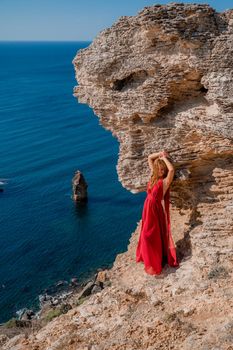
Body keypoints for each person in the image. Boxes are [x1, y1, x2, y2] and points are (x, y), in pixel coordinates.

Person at [136, 150, 179, 275]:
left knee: (149, 236)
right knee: (145, 234)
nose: (162, 171)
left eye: (163, 169)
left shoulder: (164, 182)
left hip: (155, 211)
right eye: (160, 169)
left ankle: (155, 263)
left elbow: (171, 170)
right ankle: (151, 258)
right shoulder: (153, 177)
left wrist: (165, 159)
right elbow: (149, 157)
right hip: (147, 209)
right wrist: (160, 154)